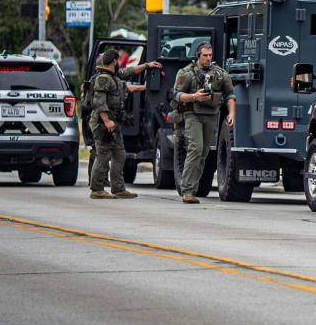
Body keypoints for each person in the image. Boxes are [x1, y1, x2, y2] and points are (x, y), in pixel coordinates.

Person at [86, 49, 162, 200]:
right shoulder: (103, 79)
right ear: (114, 61)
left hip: (113, 122)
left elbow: (129, 71)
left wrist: (147, 65)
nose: (119, 63)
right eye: (118, 60)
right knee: (103, 155)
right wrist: (107, 121)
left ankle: (118, 188)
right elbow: (98, 102)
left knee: (119, 154)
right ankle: (96, 189)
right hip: (102, 122)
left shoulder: (113, 76)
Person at [172, 41, 235, 204]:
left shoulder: (220, 74)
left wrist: (231, 113)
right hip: (193, 114)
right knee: (195, 148)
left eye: (210, 55)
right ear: (198, 56)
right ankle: (187, 190)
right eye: (205, 55)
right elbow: (177, 95)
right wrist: (194, 97)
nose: (208, 58)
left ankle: (193, 187)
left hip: (211, 115)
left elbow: (230, 95)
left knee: (203, 153)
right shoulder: (186, 73)